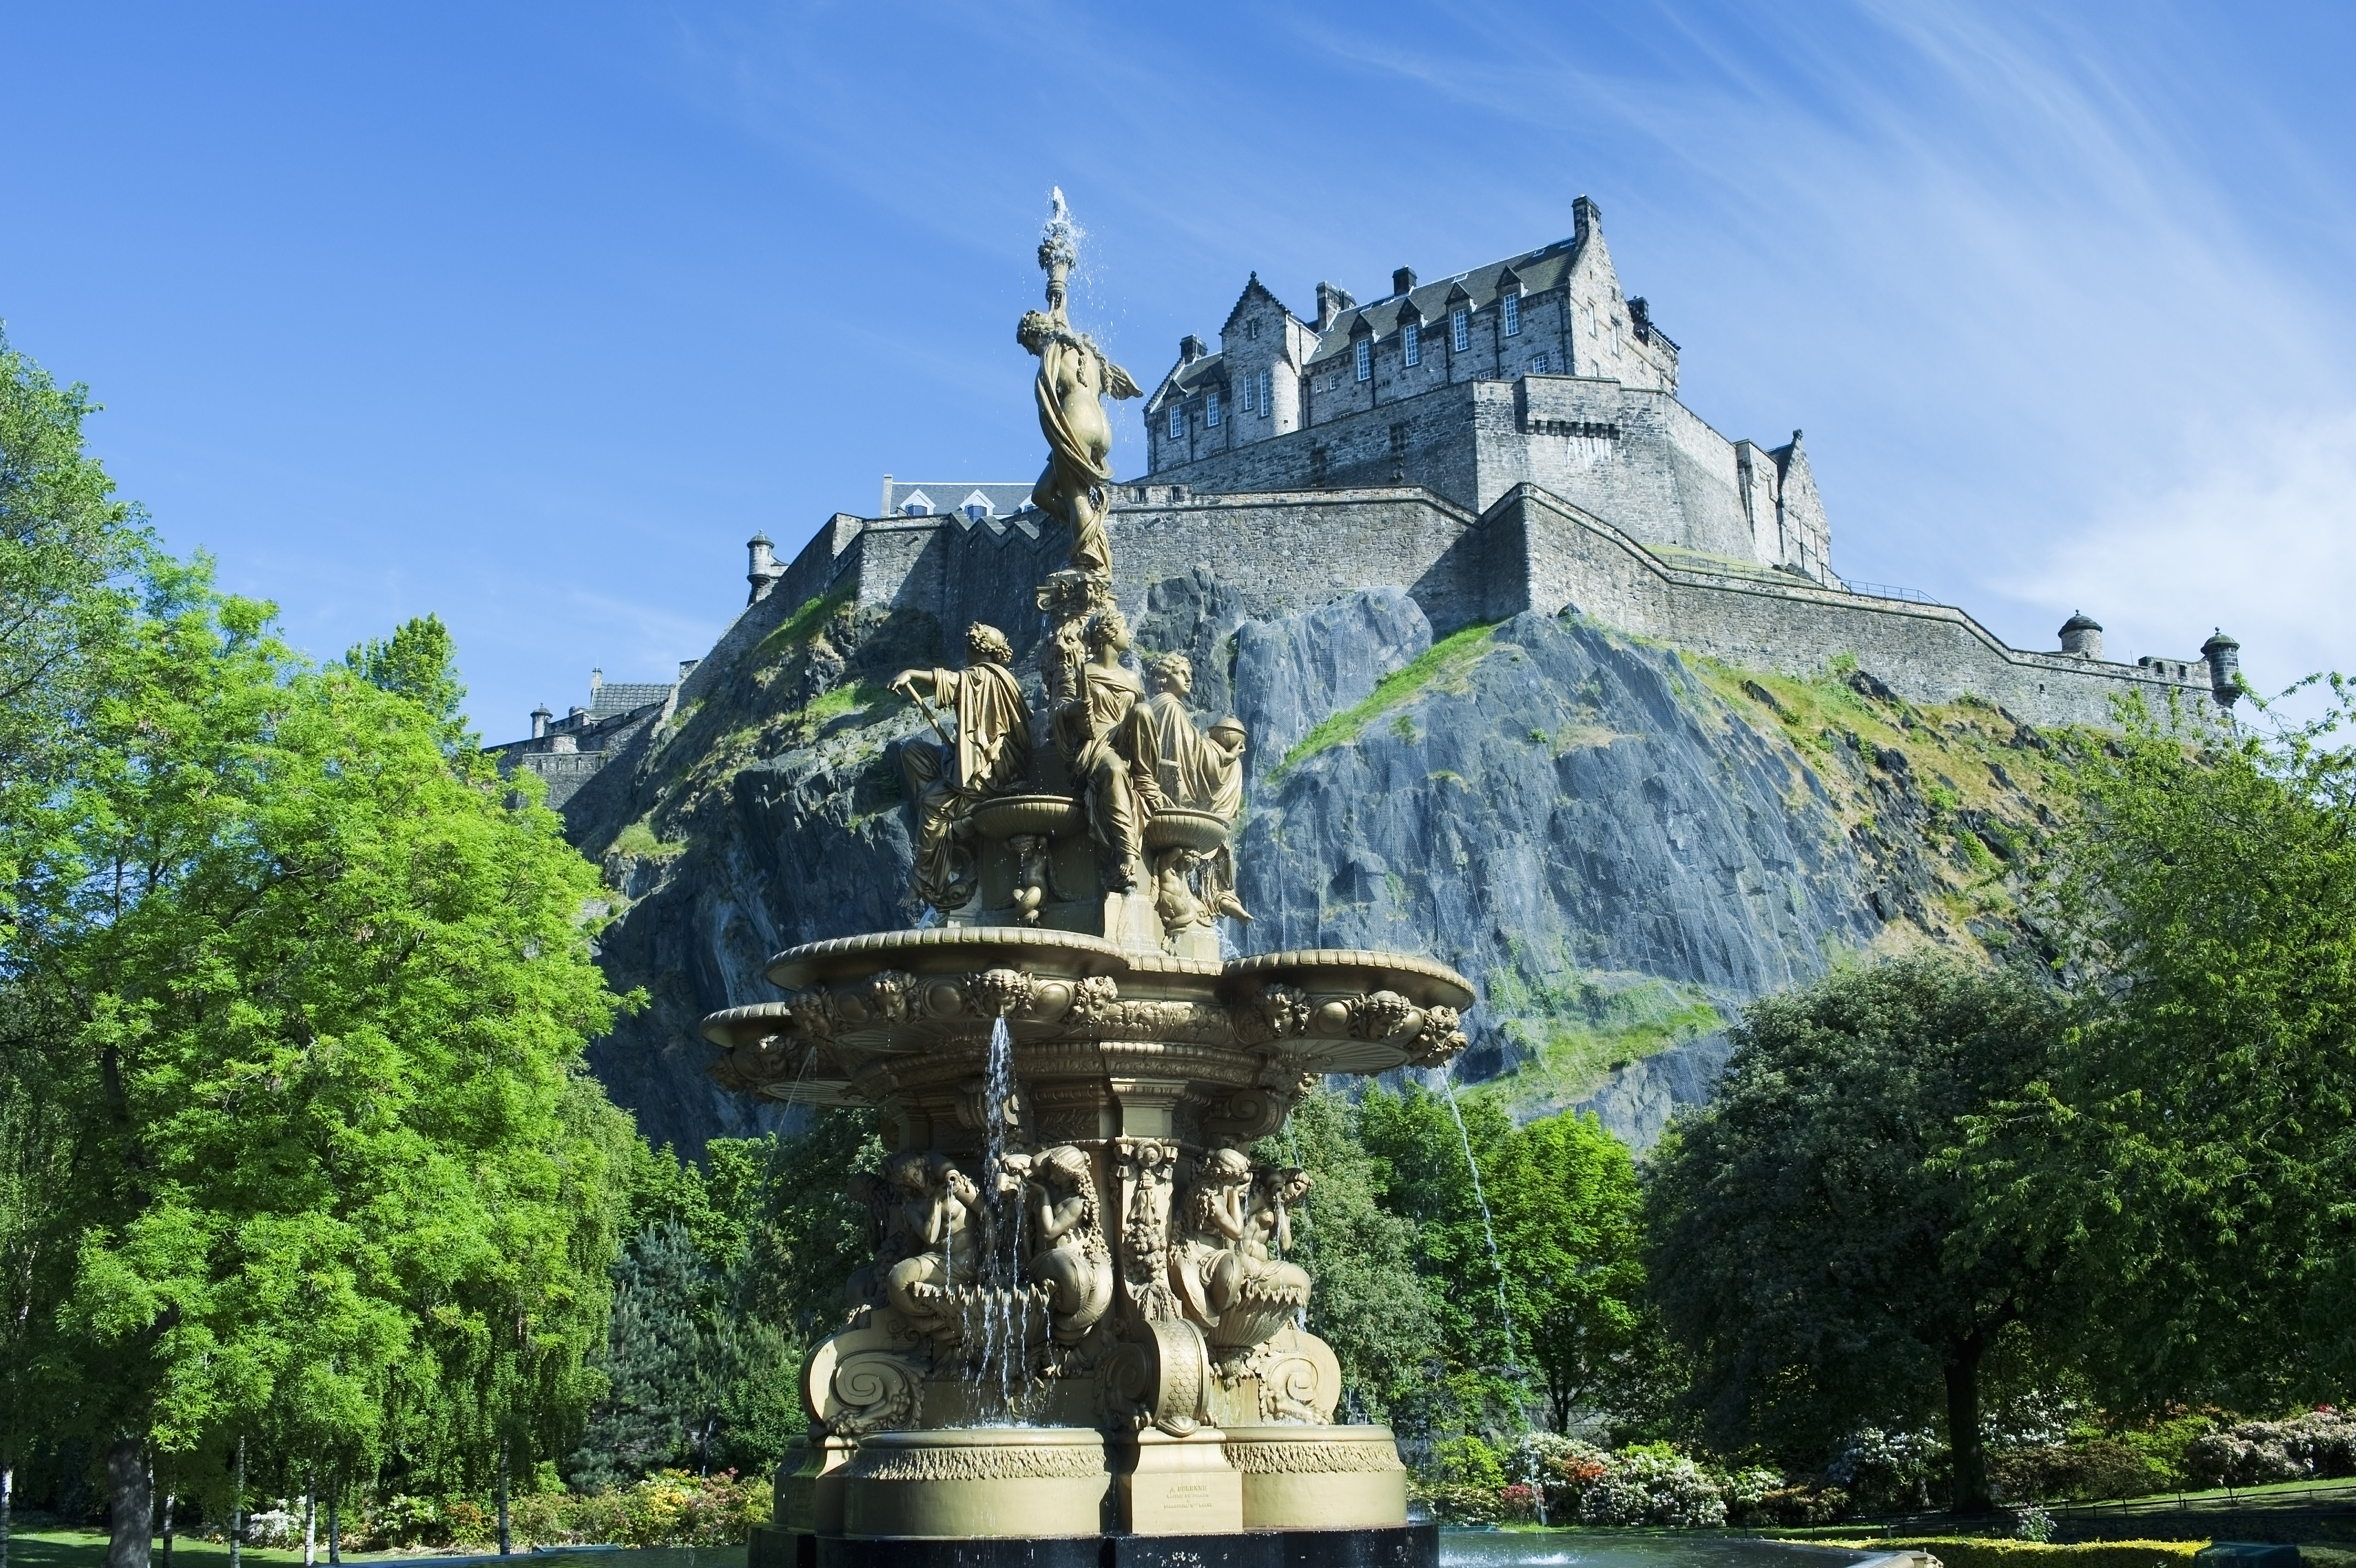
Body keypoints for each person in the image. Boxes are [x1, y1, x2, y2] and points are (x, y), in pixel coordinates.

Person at [893, 623, 1031, 912]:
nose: (965, 653)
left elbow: (953, 681)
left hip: (990, 772)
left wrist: (912, 674)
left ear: (976, 649)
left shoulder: (983, 675)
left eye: (968, 647)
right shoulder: (999, 678)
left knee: (932, 803)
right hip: (969, 761)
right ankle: (946, 822)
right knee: (913, 752)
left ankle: (926, 883)